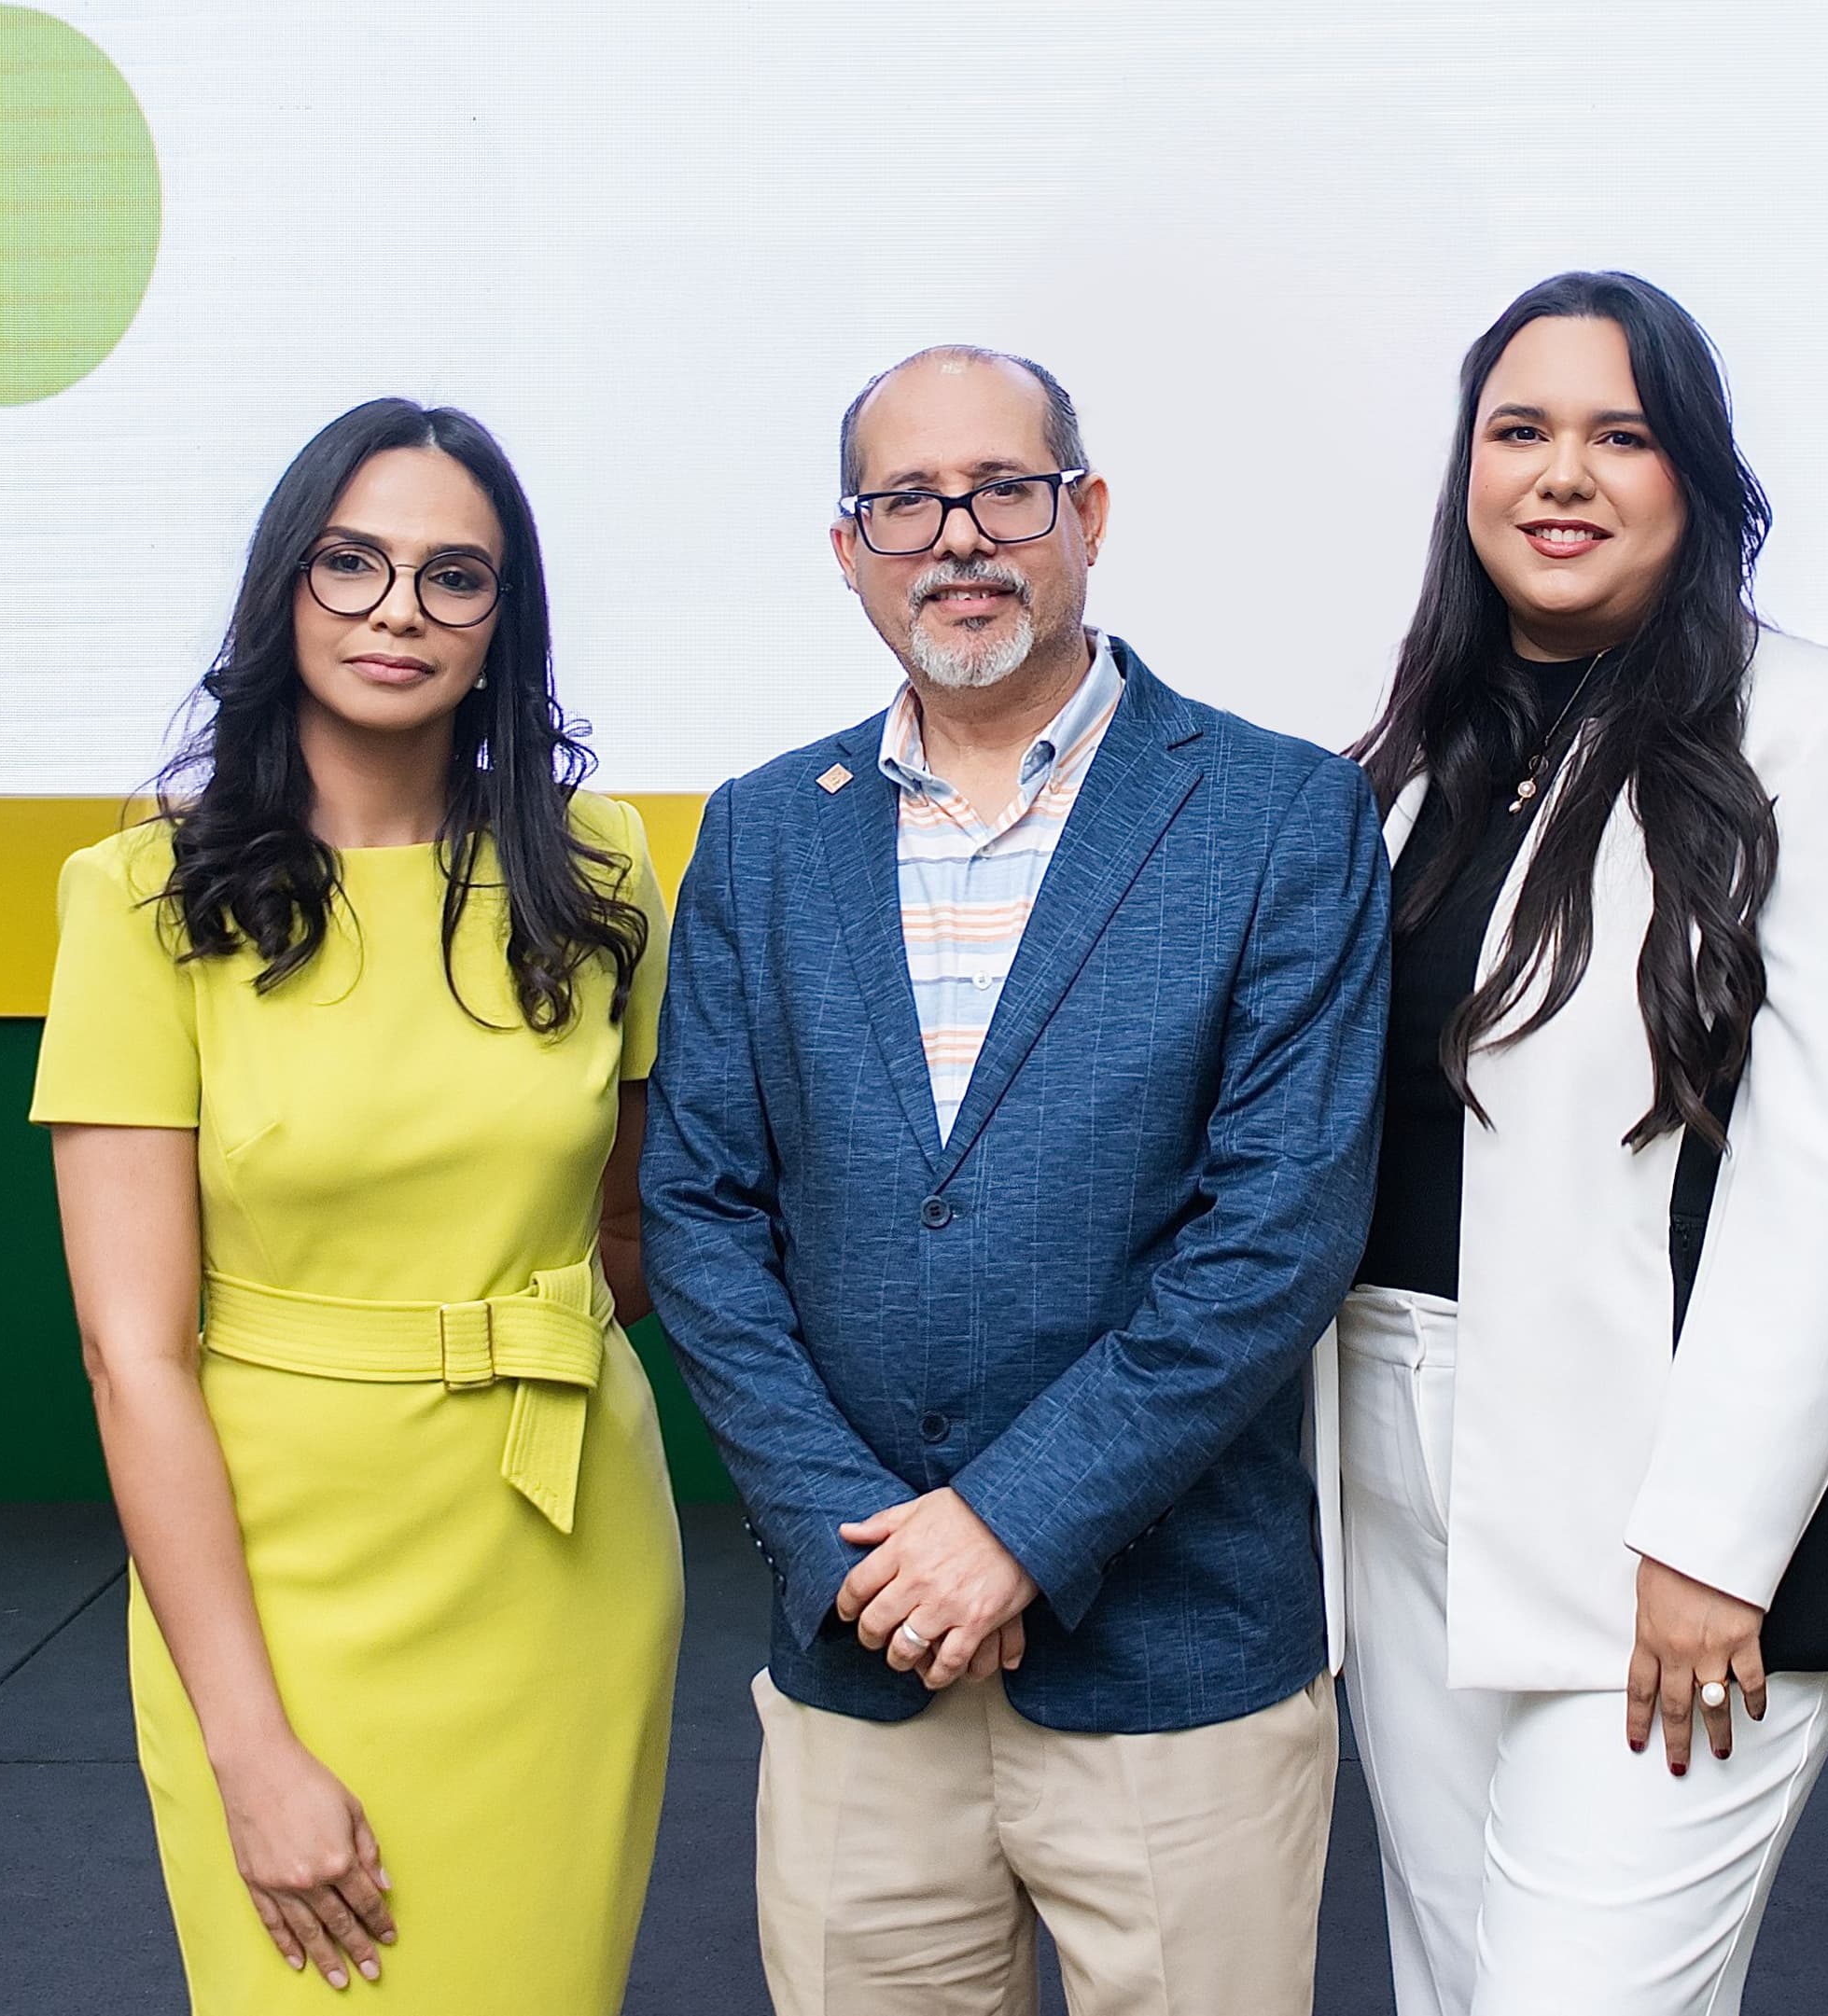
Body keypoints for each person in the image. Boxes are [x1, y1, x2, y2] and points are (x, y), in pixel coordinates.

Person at [639, 344, 1390, 2016]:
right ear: (849, 548)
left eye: (1004, 490)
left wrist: (1011, 1527)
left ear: (1088, 514)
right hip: (861, 1665)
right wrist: (862, 1556)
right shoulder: (761, 834)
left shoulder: (1283, 814)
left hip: (1178, 1671)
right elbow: (700, 1219)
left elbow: (1277, 1232)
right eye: (906, 501)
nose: (959, 535)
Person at [1338, 271, 1828, 2014]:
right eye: (1520, 430)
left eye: (1621, 434)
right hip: (1403, 1460)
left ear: (1697, 472)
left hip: (1668, 1506)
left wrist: (1713, 1543)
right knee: (1453, 1983)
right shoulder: (1411, 756)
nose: (1563, 472)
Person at [34, 398, 681, 2009]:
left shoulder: (599, 868)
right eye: (354, 563)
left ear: (502, 619)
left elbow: (634, 1229)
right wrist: (250, 1747)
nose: (400, 609)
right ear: (287, 585)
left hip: (562, 1559)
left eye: (454, 575)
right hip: (278, 1577)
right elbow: (131, 1356)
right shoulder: (137, 899)